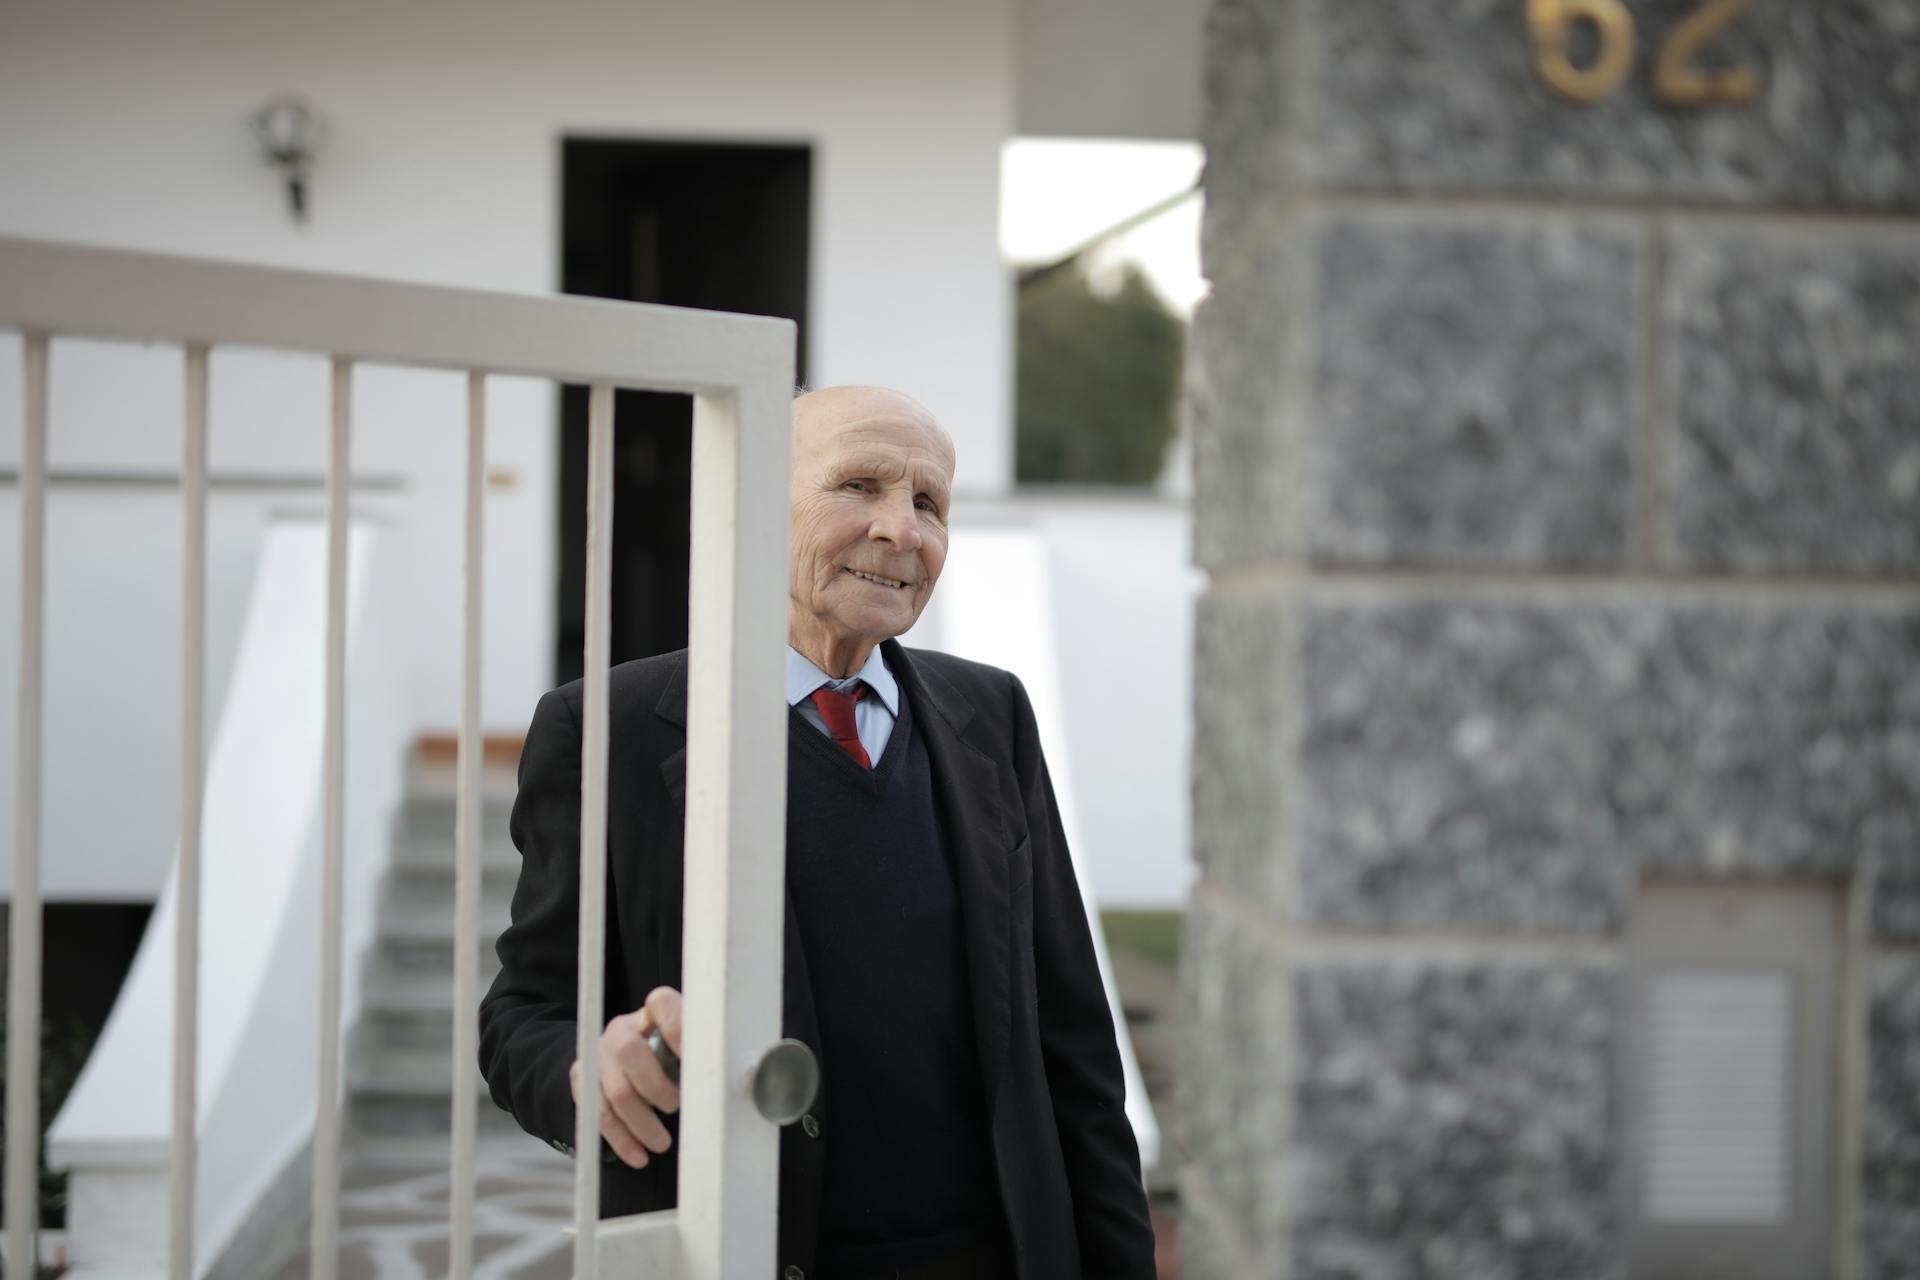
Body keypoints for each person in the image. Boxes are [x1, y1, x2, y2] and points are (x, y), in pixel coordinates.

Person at [478, 386, 1156, 1279]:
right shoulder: (610, 728)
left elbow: (1074, 1039)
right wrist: (586, 1069)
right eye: (859, 486)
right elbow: (522, 1017)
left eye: (929, 503)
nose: (902, 529)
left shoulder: (991, 713)